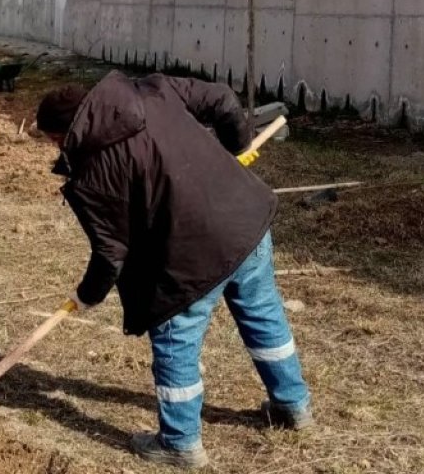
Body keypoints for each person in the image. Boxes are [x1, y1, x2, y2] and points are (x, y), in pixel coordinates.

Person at [35, 72, 312, 468]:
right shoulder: (150, 90)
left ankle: (180, 443)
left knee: (176, 342)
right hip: (244, 221)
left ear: (63, 133)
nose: (56, 148)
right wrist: (237, 148)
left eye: (52, 140)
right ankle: (293, 405)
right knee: (264, 317)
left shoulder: (92, 172)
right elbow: (221, 98)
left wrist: (87, 294)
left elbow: (111, 253)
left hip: (188, 257)